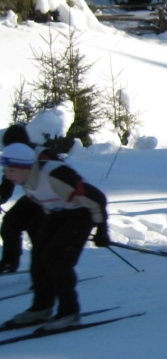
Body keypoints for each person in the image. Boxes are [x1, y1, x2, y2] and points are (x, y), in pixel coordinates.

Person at [1, 142, 110, 330]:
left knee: (55, 259)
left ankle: (69, 312)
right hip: (57, 214)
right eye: (5, 170)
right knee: (39, 256)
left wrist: (102, 230)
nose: (7, 175)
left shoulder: (54, 175)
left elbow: (96, 197)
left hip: (81, 213)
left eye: (11, 170)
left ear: (25, 166)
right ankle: (42, 308)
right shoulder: (26, 179)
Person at [0, 124, 56, 274]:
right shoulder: (14, 158)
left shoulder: (43, 155)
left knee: (37, 232)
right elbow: (6, 186)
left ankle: (43, 273)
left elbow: (64, 181)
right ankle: (9, 262)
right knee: (9, 224)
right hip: (32, 198)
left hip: (51, 201)